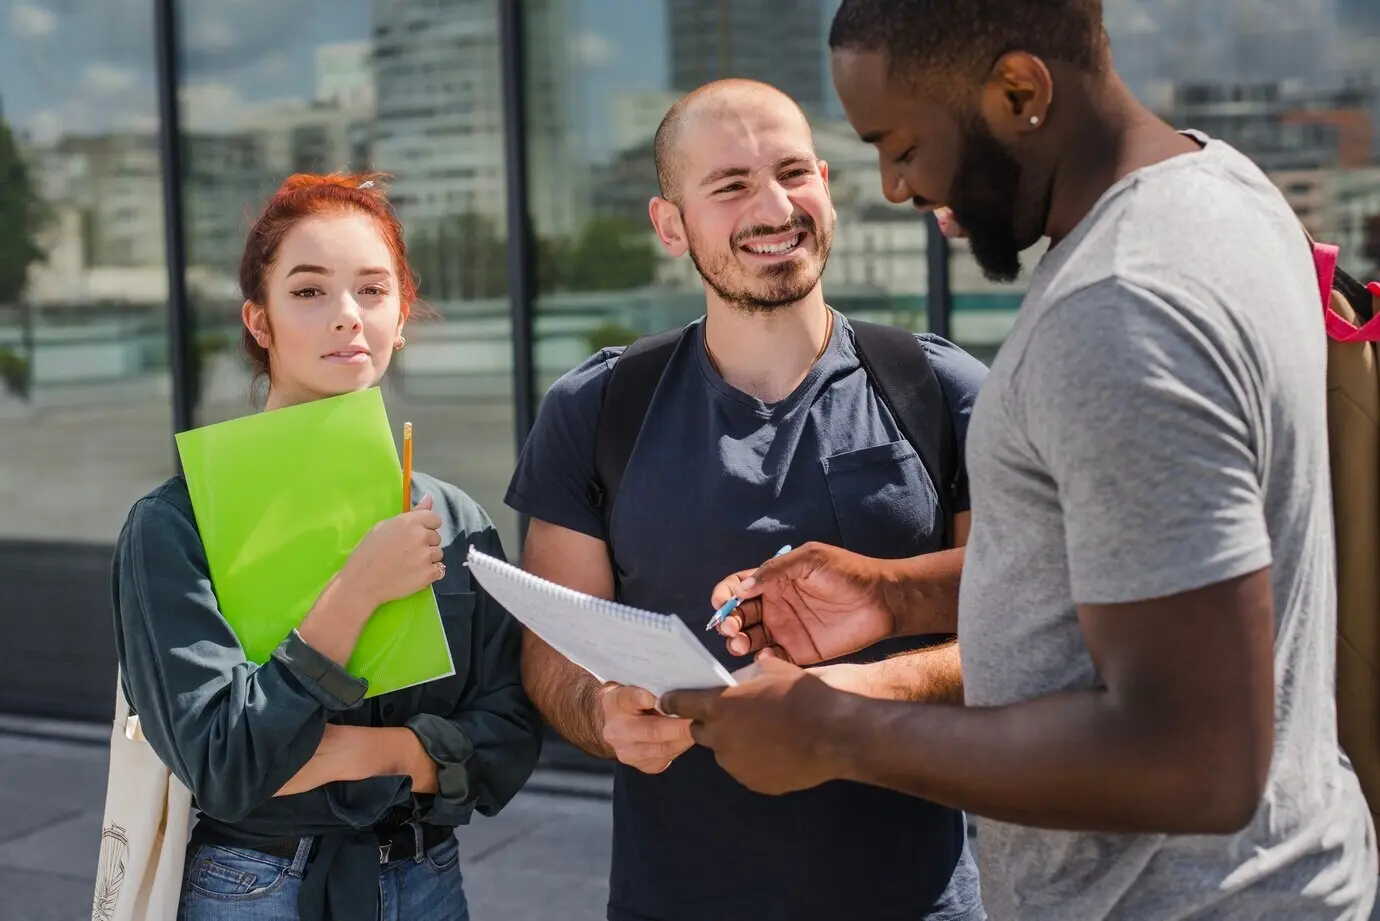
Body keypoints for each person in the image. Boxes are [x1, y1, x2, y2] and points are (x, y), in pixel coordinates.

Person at [660, 2, 1379, 920]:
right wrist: (896, 595)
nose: (891, 186)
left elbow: (1195, 761)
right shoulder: (1223, 187)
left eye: (903, 144)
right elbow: (1144, 566)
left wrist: (841, 730)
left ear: (1019, 92)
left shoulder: (1120, 310)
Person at [505, 79, 989, 921]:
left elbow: (1015, 635)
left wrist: (844, 705)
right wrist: (602, 710)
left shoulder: (941, 392)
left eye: (794, 173)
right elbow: (552, 654)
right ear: (670, 225)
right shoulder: (597, 410)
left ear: (827, 190)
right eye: (730, 186)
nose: (774, 207)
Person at [111, 172, 543, 921]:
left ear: (402, 315)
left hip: (426, 881)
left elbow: (510, 730)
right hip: (252, 886)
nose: (347, 315)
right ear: (259, 320)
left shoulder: (453, 514)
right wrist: (354, 593)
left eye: (373, 290)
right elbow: (225, 763)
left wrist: (375, 753)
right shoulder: (176, 525)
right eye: (309, 291)